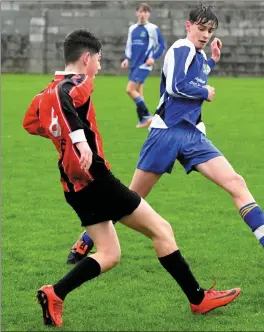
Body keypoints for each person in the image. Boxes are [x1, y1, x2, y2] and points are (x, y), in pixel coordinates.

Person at [23, 28, 240, 327]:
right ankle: (198, 299)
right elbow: (65, 99)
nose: (99, 66)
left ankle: (55, 293)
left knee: (110, 254)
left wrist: (59, 135)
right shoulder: (76, 84)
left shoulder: (46, 90)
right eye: (98, 60)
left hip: (73, 186)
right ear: (86, 58)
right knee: (162, 230)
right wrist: (79, 139)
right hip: (98, 180)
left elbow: (30, 122)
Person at [68, 4, 264, 266]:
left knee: (235, 182)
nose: (205, 35)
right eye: (201, 29)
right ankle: (86, 241)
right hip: (166, 133)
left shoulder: (197, 54)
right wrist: (205, 92)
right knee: (132, 198)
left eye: (210, 31)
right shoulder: (181, 48)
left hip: (193, 135)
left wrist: (212, 60)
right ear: (188, 26)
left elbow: (197, 74)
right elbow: (177, 85)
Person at [121, 2, 166, 128]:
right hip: (134, 64)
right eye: (140, 11)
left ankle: (147, 115)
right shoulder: (132, 29)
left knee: (130, 90)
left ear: (149, 14)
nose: (142, 14)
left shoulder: (152, 28)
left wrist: (153, 57)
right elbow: (129, 45)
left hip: (144, 64)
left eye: (145, 12)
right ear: (137, 13)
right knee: (139, 91)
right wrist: (126, 59)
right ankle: (143, 119)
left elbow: (162, 45)